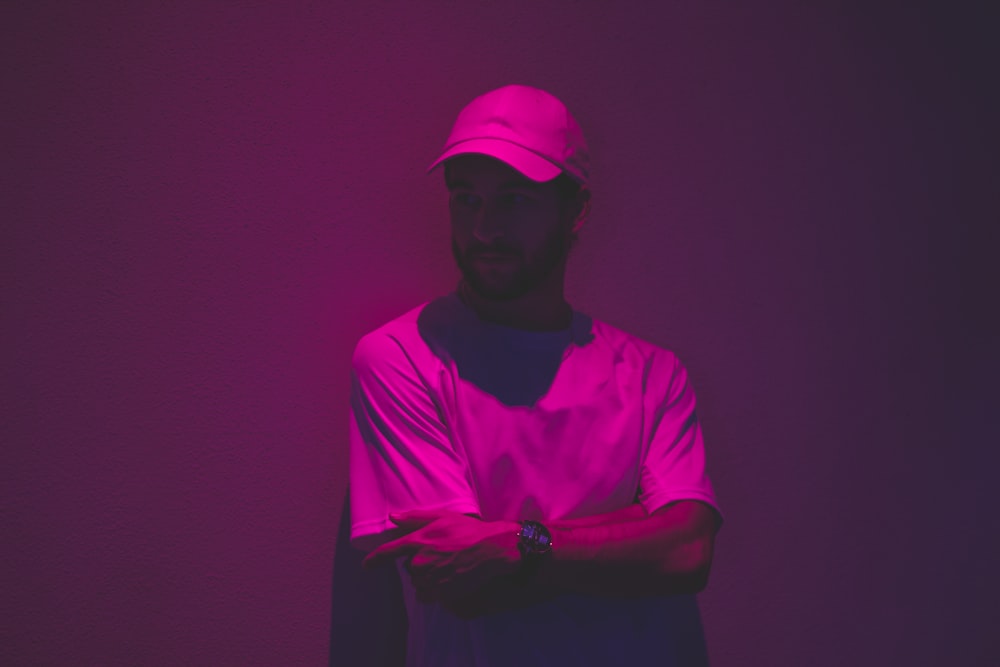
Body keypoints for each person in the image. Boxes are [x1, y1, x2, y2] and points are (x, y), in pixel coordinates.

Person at [348, 84, 722, 666]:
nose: (484, 228)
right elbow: (462, 583)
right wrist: (634, 531)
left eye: (515, 200)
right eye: (466, 199)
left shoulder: (652, 375)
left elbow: (688, 551)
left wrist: (517, 543)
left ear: (577, 210)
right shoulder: (401, 357)